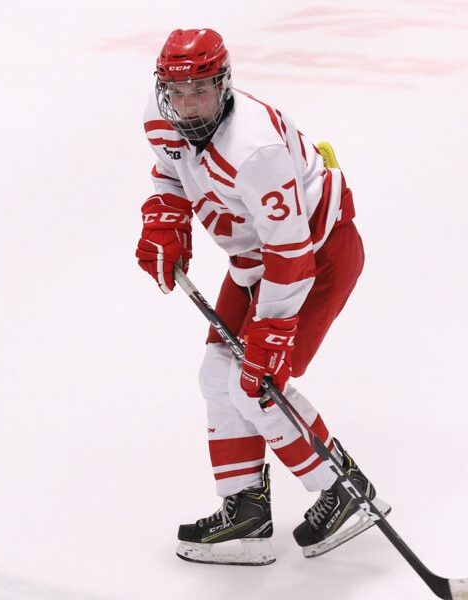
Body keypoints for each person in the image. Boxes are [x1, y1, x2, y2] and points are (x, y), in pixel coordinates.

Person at [136, 28, 389, 566]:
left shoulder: (256, 149)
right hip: (255, 261)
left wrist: (272, 331)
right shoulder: (162, 119)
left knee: (255, 386)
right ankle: (246, 513)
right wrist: (165, 219)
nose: (187, 105)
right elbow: (170, 173)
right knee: (217, 376)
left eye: (200, 91)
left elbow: (291, 251)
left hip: (317, 257)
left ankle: (343, 489)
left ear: (223, 84)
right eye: (176, 92)